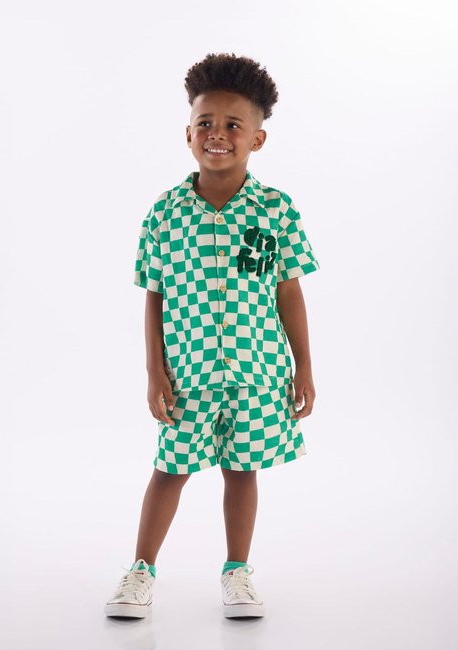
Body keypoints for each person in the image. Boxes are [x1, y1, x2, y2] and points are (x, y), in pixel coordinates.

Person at [104, 52, 320, 620]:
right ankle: (140, 570)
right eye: (205, 123)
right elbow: (154, 296)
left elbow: (289, 293)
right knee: (170, 469)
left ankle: (237, 572)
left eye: (232, 125)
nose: (217, 134)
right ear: (188, 133)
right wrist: (154, 371)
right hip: (189, 372)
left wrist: (305, 366)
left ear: (257, 139)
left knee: (242, 469)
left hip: (257, 370)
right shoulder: (164, 213)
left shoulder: (276, 210)